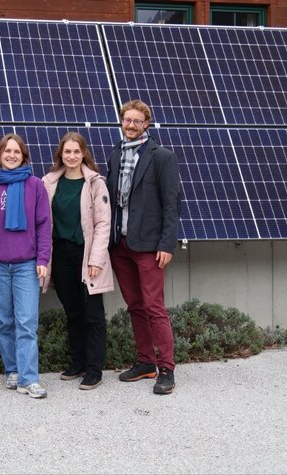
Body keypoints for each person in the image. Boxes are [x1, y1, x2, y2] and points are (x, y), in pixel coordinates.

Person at [106, 99, 181, 395]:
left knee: (154, 307)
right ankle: (146, 362)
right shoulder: (115, 155)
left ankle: (167, 369)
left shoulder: (161, 156)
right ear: (122, 122)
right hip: (121, 244)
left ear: (146, 124)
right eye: (127, 120)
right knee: (135, 306)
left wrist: (167, 243)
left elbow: (172, 203)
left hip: (150, 246)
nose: (132, 125)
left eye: (138, 121)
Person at [0, 133, 51, 399]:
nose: (12, 155)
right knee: (4, 322)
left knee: (27, 321)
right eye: (7, 151)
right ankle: (12, 370)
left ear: (24, 156)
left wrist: (43, 259)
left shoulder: (35, 185)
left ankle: (29, 379)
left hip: (26, 264)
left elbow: (43, 225)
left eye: (17, 152)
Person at [41, 132, 113, 391]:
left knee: (93, 314)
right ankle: (78, 362)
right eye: (67, 152)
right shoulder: (49, 182)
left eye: (76, 151)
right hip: (60, 255)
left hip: (88, 256)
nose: (71, 156)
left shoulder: (95, 183)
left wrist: (96, 259)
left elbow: (103, 224)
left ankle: (94, 369)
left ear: (84, 153)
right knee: (72, 312)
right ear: (60, 154)